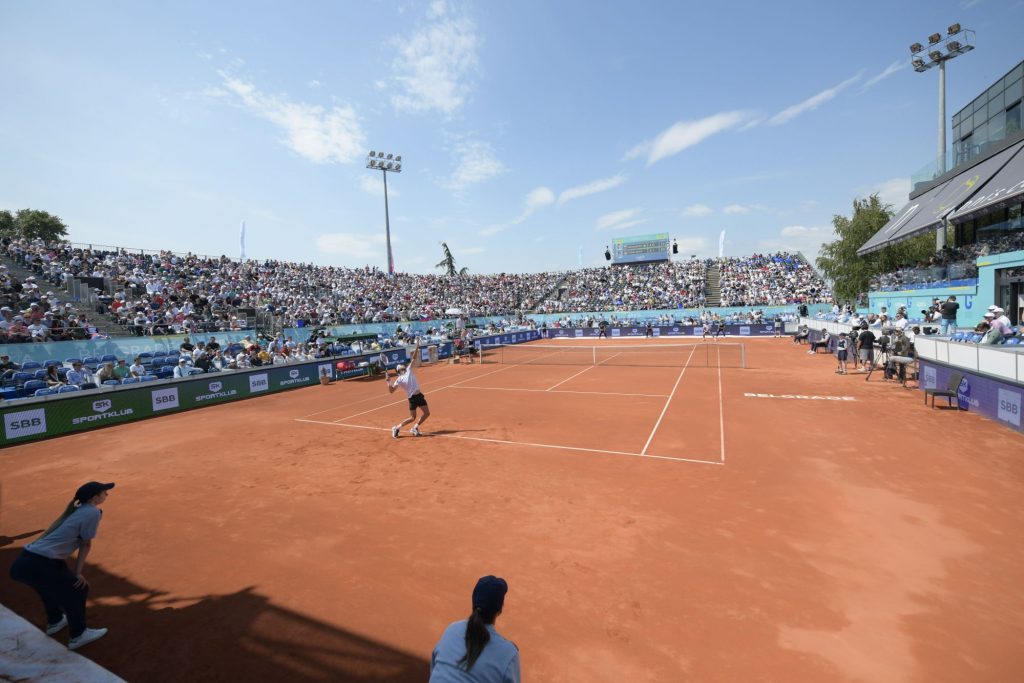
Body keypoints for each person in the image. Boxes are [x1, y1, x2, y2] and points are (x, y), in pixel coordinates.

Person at [9, 481, 113, 650]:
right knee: (79, 589)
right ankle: (78, 635)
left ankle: (55, 621)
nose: (107, 495)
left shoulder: (75, 510)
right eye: (104, 493)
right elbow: (85, 543)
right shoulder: (93, 512)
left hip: (24, 563)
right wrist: (78, 572)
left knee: (47, 587)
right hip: (41, 563)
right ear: (95, 498)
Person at [430, 576, 520, 683]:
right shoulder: (508, 654)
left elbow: (434, 670)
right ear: (500, 610)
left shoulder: (451, 629)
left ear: (473, 603)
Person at [388, 342, 430, 438]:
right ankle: (397, 428)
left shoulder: (409, 369)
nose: (403, 366)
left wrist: (417, 346)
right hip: (412, 398)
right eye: (401, 366)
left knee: (427, 413)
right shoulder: (399, 379)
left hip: (419, 395)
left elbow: (414, 357)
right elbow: (391, 391)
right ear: (399, 370)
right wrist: (388, 382)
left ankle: (415, 428)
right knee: (412, 417)